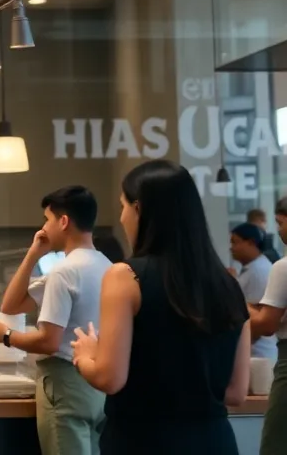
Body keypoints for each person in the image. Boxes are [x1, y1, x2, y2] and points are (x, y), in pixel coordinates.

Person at [71, 160, 251, 455]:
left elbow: (109, 377)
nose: (122, 217)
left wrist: (86, 355)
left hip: (144, 441)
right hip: (214, 442)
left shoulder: (125, 276)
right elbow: (236, 392)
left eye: (123, 206)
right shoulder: (228, 285)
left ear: (139, 210)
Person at [0, 186, 109, 455]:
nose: (44, 227)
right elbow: (12, 304)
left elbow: (49, 341)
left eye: (47, 219)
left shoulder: (64, 272)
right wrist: (34, 253)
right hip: (98, 384)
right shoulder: (107, 266)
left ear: (63, 222)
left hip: (65, 383)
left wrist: (6, 336)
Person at [249, 196, 287, 455]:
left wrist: (235, 303)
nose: (279, 230)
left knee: (276, 444)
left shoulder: (283, 268)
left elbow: (266, 324)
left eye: (281, 223)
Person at [231, 222, 277, 359]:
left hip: (258, 354)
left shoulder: (258, 271)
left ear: (251, 243)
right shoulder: (252, 269)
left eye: (235, 242)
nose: (231, 248)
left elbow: (258, 320)